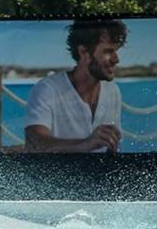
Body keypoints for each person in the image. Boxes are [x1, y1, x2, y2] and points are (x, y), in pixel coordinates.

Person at [24, 20, 128, 153]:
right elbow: (35, 144)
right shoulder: (47, 90)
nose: (116, 59)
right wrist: (85, 144)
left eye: (116, 51)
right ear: (83, 52)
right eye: (108, 51)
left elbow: (112, 149)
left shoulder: (113, 91)